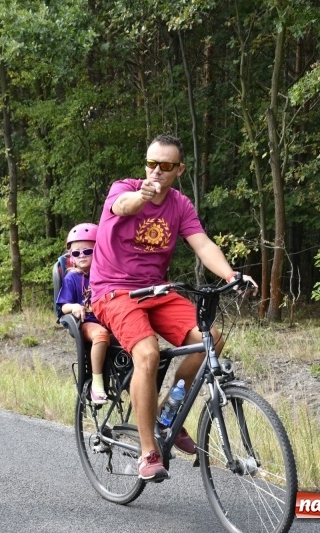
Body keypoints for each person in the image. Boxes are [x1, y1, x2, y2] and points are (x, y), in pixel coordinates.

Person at [89, 134, 256, 482]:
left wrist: (231, 274)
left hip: (157, 291)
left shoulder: (180, 205)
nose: (156, 171)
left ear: (179, 169)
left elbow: (202, 244)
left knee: (210, 338)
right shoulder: (125, 187)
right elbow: (123, 207)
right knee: (147, 354)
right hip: (113, 291)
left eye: (166, 166)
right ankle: (149, 451)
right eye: (151, 164)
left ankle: (169, 410)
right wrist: (141, 196)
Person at [56, 223, 110, 404]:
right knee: (101, 335)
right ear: (71, 257)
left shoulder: (107, 275)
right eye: (76, 253)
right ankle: (97, 384)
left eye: (87, 251)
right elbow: (62, 306)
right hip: (87, 322)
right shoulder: (72, 277)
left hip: (108, 319)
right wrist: (73, 307)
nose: (82, 256)